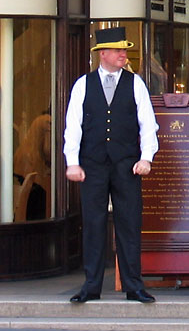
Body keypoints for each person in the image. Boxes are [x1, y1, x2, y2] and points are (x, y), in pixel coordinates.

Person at [63, 27, 158, 304]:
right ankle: (91, 286)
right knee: (93, 224)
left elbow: (148, 124)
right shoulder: (83, 84)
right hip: (92, 165)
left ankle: (134, 286)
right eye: (118, 50)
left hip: (126, 164)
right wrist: (72, 161)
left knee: (129, 223)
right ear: (102, 53)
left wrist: (146, 157)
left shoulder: (135, 83)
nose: (123, 54)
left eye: (124, 50)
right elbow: (73, 126)